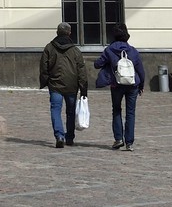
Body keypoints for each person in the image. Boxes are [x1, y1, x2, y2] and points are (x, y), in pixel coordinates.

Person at [94, 22, 146, 150]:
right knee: (131, 113)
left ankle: (118, 139)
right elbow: (141, 70)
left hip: (116, 84)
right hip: (133, 84)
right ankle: (129, 142)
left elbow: (98, 64)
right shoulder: (133, 50)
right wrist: (141, 85)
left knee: (116, 110)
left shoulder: (110, 50)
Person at [40, 22, 92, 148]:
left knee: (55, 110)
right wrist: (83, 87)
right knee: (70, 111)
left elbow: (43, 66)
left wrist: (45, 80)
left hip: (55, 85)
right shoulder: (75, 50)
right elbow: (81, 70)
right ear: (69, 33)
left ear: (57, 32)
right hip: (71, 85)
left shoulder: (49, 48)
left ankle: (59, 135)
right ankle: (69, 137)